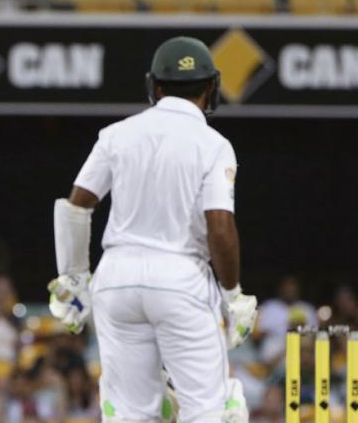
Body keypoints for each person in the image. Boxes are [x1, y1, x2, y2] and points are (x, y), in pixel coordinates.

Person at [48, 36, 257, 422]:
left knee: (130, 414)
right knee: (210, 410)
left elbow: (78, 205)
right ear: (211, 87)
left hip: (116, 280)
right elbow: (220, 225)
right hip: (180, 277)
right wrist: (233, 295)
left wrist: (73, 278)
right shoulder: (214, 145)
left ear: (154, 86)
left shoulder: (117, 134)